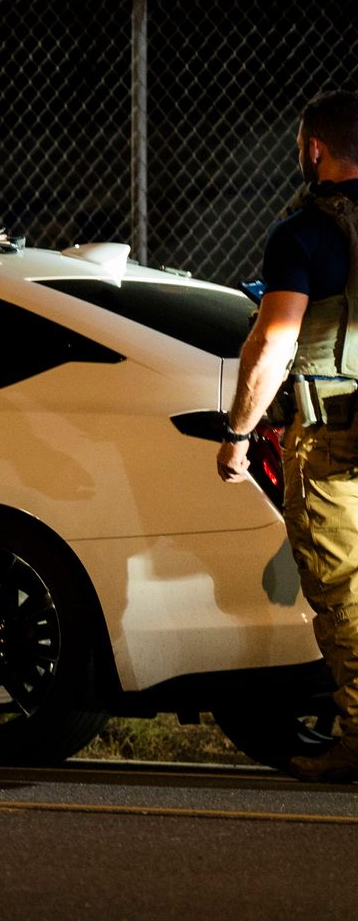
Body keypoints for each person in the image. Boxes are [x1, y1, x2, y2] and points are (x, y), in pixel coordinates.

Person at [218, 89, 358, 781]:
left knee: (345, 592)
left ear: (314, 150)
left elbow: (273, 344)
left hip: (334, 437)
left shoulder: (303, 232)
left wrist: (239, 431)